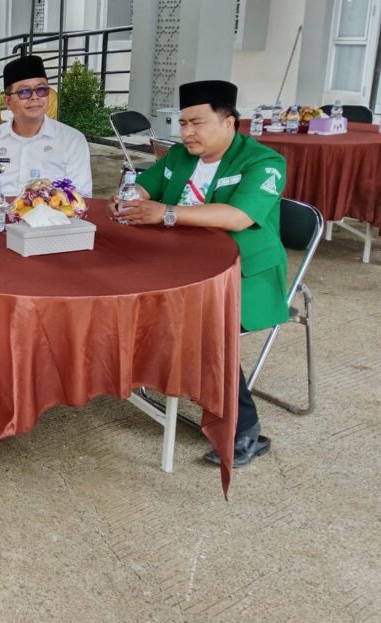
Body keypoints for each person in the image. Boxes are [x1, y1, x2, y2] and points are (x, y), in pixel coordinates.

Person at [107, 80, 287, 468]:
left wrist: (167, 213)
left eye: (197, 123)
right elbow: (145, 186)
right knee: (111, 285)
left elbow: (238, 216)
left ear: (229, 122)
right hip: (176, 266)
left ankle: (243, 428)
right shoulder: (180, 156)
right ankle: (123, 373)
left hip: (239, 276)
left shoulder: (263, 162)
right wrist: (130, 197)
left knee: (199, 324)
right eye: (183, 123)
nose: (186, 132)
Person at [0, 55, 92, 199]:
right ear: (8, 101)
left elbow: (80, 197)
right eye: (24, 91)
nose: (35, 97)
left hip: (54, 214)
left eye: (41, 89)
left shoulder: (72, 140)